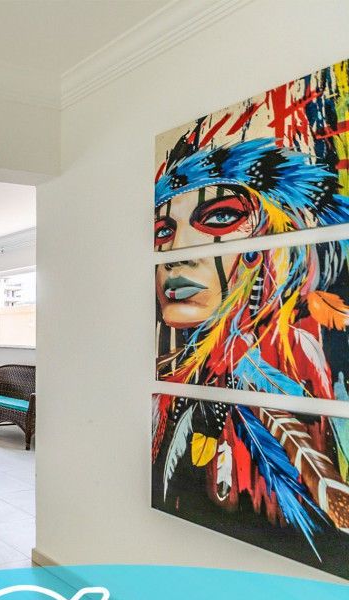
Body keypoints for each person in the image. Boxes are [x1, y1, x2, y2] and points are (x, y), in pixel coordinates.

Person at [152, 138, 349, 568]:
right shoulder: (178, 371)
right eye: (163, 232)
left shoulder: (298, 355)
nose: (175, 257)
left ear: (270, 242)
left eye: (220, 217)